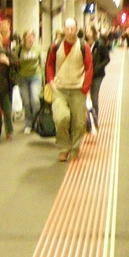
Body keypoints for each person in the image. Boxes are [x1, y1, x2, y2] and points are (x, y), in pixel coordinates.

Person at [46, 18, 93, 161]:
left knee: (79, 122)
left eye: (73, 28)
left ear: (77, 29)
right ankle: (63, 147)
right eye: (67, 28)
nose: (70, 31)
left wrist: (85, 88)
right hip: (60, 89)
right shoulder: (56, 46)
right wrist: (51, 82)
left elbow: (89, 68)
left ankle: (75, 148)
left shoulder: (83, 46)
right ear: (64, 29)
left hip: (78, 89)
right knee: (61, 118)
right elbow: (49, 65)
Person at [16, 29, 43, 133]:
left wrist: (44, 79)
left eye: (32, 36)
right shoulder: (19, 49)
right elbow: (15, 61)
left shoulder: (37, 48)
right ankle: (28, 123)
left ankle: (37, 122)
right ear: (24, 38)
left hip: (36, 76)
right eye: (28, 37)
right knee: (26, 102)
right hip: (23, 77)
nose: (30, 39)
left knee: (35, 100)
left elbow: (41, 62)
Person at [84, 24, 110, 125]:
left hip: (97, 75)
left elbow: (107, 59)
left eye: (89, 31)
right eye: (86, 31)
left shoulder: (100, 44)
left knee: (94, 97)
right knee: (84, 98)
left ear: (94, 32)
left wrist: (97, 68)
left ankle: (94, 120)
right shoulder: (84, 44)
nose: (88, 33)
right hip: (86, 75)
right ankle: (87, 119)